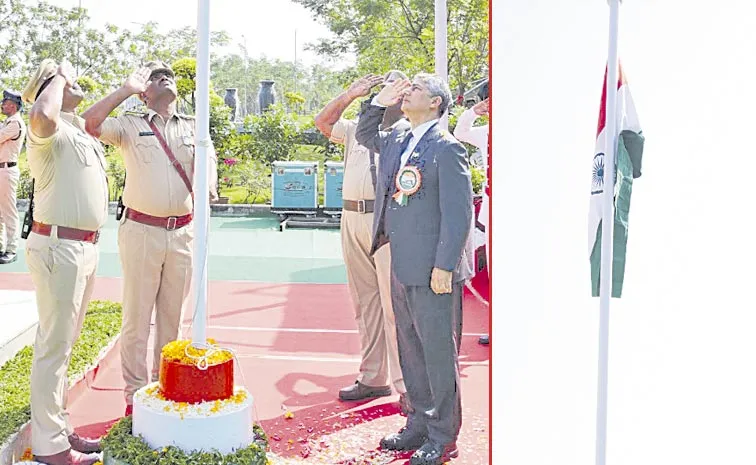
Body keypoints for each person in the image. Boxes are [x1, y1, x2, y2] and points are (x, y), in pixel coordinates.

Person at [81, 61, 218, 416]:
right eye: (155, 76)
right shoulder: (130, 124)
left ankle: (164, 387)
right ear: (144, 92)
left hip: (182, 232)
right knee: (137, 317)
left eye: (167, 74)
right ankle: (135, 396)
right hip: (142, 230)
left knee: (173, 318)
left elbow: (208, 166)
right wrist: (126, 89)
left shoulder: (193, 126)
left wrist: (210, 190)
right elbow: (91, 122)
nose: (164, 77)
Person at [356, 74, 473, 465]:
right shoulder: (400, 139)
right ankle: (418, 423)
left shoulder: (447, 148)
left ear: (437, 103)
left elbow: (459, 215)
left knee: (438, 354)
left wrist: (445, 265)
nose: (409, 94)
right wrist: (380, 99)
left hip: (433, 271)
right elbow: (365, 133)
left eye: (417, 90)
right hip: (403, 264)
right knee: (411, 349)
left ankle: (443, 436)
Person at [21, 59, 108, 465]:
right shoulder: (45, 129)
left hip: (82, 248)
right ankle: (50, 447)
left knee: (64, 344)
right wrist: (55, 75)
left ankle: (58, 427)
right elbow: (40, 113)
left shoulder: (75, 131)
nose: (75, 83)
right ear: (50, 88)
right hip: (59, 247)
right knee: (54, 346)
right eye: (66, 81)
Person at [314, 71, 411, 412]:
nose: (390, 91)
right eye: (386, 86)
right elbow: (322, 122)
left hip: (385, 220)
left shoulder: (406, 133)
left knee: (393, 305)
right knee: (365, 303)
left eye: (398, 87)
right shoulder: (357, 129)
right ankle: (374, 377)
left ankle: (406, 387)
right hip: (352, 219)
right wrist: (350, 95)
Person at [454, 96, 490, 345]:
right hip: (490, 205)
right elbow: (460, 131)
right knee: (491, 266)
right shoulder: (486, 132)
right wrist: (473, 111)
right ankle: (495, 324)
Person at [0, 89, 27, 264]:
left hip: (6, 170)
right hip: (2, 170)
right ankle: (2, 245)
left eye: (5, 102)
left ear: (12, 105)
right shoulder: (7, 122)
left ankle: (11, 249)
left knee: (9, 211)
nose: (2, 105)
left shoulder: (15, 123)